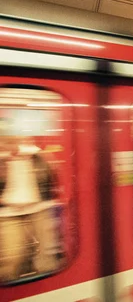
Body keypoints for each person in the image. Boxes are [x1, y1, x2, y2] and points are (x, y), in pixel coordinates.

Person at [0, 117, 62, 282]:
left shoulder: (36, 155)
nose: (8, 144)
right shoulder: (2, 160)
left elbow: (51, 176)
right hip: (8, 213)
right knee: (13, 256)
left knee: (46, 255)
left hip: (38, 209)